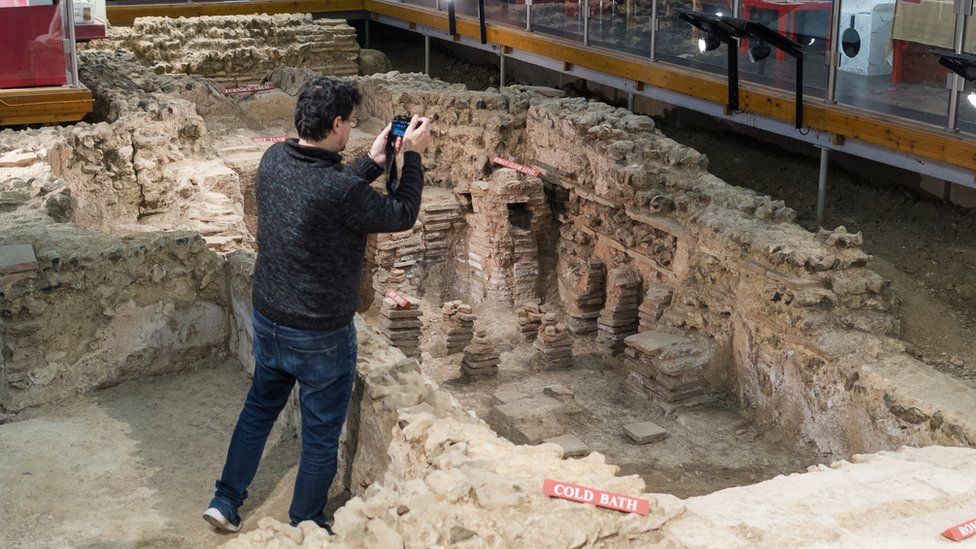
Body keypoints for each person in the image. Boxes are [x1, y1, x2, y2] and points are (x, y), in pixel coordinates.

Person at [203, 76, 431, 533]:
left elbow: (323, 193)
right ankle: (305, 521)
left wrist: (371, 162)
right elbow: (400, 214)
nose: (351, 129)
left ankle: (224, 502)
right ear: (336, 124)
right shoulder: (339, 192)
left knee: (258, 411)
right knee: (321, 434)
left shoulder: (273, 160)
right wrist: (415, 157)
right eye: (349, 122)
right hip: (321, 335)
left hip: (270, 317)